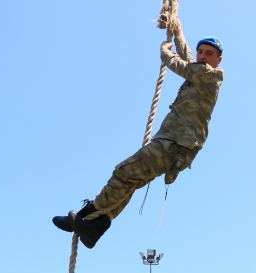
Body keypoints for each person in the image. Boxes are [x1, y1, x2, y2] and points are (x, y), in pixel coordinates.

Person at [53, 25, 224, 248]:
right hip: (175, 146)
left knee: (123, 172)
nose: (202, 56)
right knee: (129, 182)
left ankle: (89, 218)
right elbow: (189, 58)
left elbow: (181, 64)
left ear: (218, 60)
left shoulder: (211, 75)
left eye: (208, 54)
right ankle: (96, 225)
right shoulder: (201, 73)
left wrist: (165, 51)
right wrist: (179, 33)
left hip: (173, 144)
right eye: (200, 51)